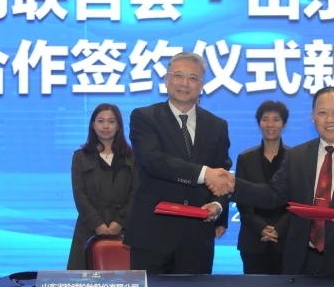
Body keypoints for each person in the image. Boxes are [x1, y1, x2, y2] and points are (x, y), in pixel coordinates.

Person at [218, 86, 334, 276]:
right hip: (303, 263)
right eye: (322, 113)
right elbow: (272, 194)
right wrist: (233, 185)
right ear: (313, 117)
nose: (329, 119)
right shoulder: (297, 156)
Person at [125, 51, 232, 274]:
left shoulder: (217, 126)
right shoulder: (144, 117)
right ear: (166, 80)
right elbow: (154, 161)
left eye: (193, 78)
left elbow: (222, 174)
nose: (184, 83)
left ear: (202, 85)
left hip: (197, 239)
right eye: (178, 75)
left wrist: (217, 205)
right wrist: (204, 173)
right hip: (152, 236)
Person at [67, 103, 137, 270]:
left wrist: (119, 223)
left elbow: (136, 193)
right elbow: (79, 194)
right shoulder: (80, 157)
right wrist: (98, 224)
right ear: (93, 125)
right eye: (100, 121)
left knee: (123, 280)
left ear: (118, 126)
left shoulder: (132, 156)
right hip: (88, 226)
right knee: (83, 280)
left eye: (111, 122)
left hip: (124, 227)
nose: (106, 126)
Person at [236, 100, 290, 274]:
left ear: (284, 124)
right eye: (265, 119)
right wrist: (260, 227)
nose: (270, 124)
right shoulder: (245, 158)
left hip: (286, 239)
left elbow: (300, 198)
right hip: (253, 239)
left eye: (276, 119)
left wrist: (279, 229)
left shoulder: (296, 158)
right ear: (259, 123)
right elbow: (241, 199)